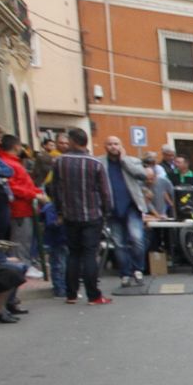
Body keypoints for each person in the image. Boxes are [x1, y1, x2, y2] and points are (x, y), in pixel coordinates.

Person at [45, 128, 112, 304]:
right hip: (91, 215)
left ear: (73, 141)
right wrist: (106, 212)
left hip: (69, 215)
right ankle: (93, 295)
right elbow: (105, 192)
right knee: (90, 254)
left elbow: (54, 189)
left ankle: (71, 294)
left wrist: (59, 211)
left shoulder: (60, 162)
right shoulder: (95, 163)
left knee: (73, 254)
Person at [101, 135, 149, 286]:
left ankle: (138, 269)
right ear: (105, 147)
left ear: (121, 146)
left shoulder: (132, 161)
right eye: (110, 144)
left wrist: (124, 160)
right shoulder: (100, 163)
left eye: (116, 144)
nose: (113, 147)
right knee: (119, 243)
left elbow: (142, 175)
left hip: (131, 207)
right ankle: (125, 273)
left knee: (137, 239)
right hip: (112, 208)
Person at [0, 134, 40, 265]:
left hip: (20, 209)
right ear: (16, 147)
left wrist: (36, 193)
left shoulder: (9, 162)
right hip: (19, 210)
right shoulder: (8, 164)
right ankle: (21, 269)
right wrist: (34, 194)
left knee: (20, 242)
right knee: (20, 243)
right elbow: (13, 187)